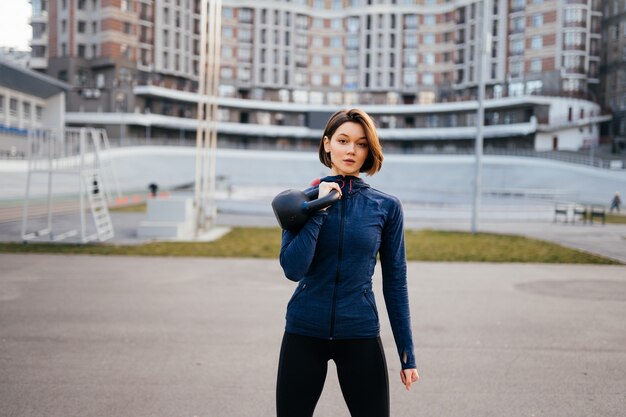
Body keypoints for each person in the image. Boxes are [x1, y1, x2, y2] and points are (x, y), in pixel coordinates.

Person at [276, 109, 419, 417]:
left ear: (369, 150)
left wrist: (407, 354)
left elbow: (396, 282)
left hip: (359, 331)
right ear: (327, 144)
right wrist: (319, 207)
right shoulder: (299, 202)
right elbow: (293, 269)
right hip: (304, 330)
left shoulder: (386, 207)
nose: (351, 150)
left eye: (361, 143)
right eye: (343, 141)